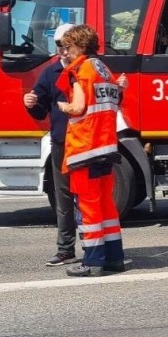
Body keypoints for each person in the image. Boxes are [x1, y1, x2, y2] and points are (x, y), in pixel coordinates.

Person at [56, 24, 126, 277]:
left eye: (68, 46)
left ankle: (93, 261)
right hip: (105, 148)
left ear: (80, 46)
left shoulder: (81, 70)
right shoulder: (104, 70)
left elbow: (78, 108)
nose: (65, 51)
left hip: (84, 149)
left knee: (89, 210)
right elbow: (114, 100)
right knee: (106, 206)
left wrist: (63, 106)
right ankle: (114, 258)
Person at [23, 23, 77, 267]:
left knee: (90, 197)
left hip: (88, 142)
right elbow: (41, 109)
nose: (63, 50)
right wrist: (31, 103)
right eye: (59, 45)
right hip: (62, 142)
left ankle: (97, 250)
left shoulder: (89, 68)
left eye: (68, 45)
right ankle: (65, 249)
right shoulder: (50, 72)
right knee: (63, 198)